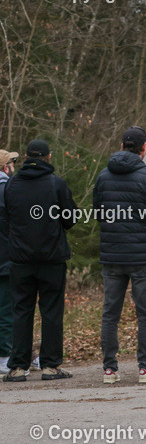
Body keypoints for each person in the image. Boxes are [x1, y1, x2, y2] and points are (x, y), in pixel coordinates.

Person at [93, 126, 146, 384]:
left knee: (110, 314)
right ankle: (145, 369)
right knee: (145, 313)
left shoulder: (104, 176)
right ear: (143, 149)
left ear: (123, 146)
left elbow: (98, 213)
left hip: (113, 255)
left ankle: (109, 370)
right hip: (143, 257)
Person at [1, 139, 77, 382]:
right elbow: (70, 219)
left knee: (21, 311)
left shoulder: (12, 185)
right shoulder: (56, 184)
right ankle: (50, 366)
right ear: (48, 156)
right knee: (51, 311)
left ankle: (17, 367)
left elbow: (7, 218)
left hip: (20, 259)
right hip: (51, 258)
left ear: (25, 157)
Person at [0, 149, 19, 373]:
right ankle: (5, 355)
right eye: (12, 163)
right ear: (6, 168)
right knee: (7, 310)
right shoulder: (7, 191)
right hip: (5, 259)